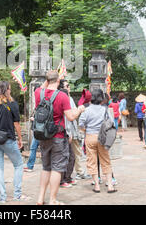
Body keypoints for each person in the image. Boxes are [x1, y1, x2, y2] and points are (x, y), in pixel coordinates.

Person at [35, 70, 85, 205]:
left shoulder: (38, 93)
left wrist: (53, 77)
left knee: (46, 167)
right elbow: (70, 117)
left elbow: (44, 84)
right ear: (58, 81)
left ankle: (40, 198)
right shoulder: (62, 96)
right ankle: (52, 200)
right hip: (58, 136)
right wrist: (79, 109)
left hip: (43, 135)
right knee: (56, 168)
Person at [0, 81, 25, 203]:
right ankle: (17, 194)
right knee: (18, 165)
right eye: (10, 89)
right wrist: (20, 138)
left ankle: (3, 197)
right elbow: (16, 124)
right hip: (8, 140)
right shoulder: (12, 104)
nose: (10, 91)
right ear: (7, 90)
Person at [79, 89, 117, 194]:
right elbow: (110, 122)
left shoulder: (86, 110)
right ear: (101, 98)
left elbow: (81, 124)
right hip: (102, 138)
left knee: (92, 161)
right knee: (106, 160)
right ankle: (110, 185)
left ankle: (96, 185)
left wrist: (86, 130)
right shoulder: (105, 110)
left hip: (90, 137)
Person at [58, 84, 78, 188]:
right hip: (63, 134)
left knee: (71, 157)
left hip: (65, 133)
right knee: (65, 157)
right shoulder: (62, 106)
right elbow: (68, 120)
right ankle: (62, 180)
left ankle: (67, 178)